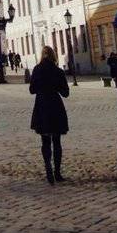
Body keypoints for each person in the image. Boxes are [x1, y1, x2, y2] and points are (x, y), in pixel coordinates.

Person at [29, 45, 70, 184]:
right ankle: (57, 172)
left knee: (45, 140)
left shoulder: (37, 69)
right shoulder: (58, 71)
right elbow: (65, 93)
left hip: (41, 106)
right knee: (56, 141)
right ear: (53, 56)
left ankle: (48, 168)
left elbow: (32, 90)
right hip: (55, 105)